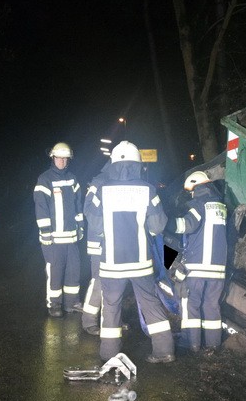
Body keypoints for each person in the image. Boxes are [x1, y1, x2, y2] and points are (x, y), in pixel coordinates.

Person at [84, 141, 175, 363]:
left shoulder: (102, 190)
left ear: (113, 164)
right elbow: (157, 227)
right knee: (150, 303)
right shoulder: (148, 189)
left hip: (111, 264)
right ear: (138, 164)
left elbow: (95, 226)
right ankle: (164, 351)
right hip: (140, 263)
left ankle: (109, 354)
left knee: (111, 307)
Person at [168, 171, 228, 354]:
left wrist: (165, 224)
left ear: (196, 187)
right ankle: (213, 346)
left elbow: (187, 225)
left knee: (190, 304)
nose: (191, 194)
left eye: (191, 191)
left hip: (197, 267)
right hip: (218, 270)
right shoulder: (221, 207)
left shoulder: (199, 205)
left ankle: (191, 343)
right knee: (212, 306)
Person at [34, 142, 83, 318]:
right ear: (53, 158)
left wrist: (80, 226)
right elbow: (41, 208)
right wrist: (45, 231)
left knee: (74, 270)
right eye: (59, 158)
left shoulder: (73, 179)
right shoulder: (44, 180)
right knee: (55, 272)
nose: (62, 161)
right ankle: (54, 304)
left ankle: (72, 303)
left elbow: (78, 205)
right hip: (53, 239)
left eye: (65, 158)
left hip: (71, 238)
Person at [80, 160, 114, 335]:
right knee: (99, 281)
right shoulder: (100, 181)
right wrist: (104, 232)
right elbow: (89, 209)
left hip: (115, 244)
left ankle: (112, 320)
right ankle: (89, 320)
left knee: (115, 283)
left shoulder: (118, 182)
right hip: (100, 243)